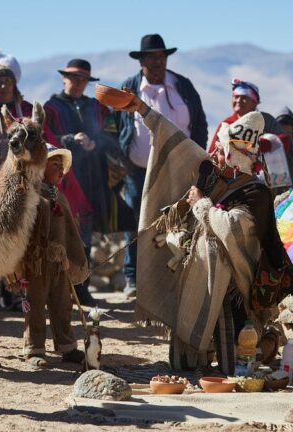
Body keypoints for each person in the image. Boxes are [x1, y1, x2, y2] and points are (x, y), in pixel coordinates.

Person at [116, 92, 293, 375]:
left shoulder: (256, 192)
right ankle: (195, 346)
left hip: (239, 282)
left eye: (221, 149)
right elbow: (177, 142)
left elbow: (232, 229)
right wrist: (142, 109)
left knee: (239, 356)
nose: (213, 152)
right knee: (185, 364)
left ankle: (266, 341)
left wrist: (201, 203)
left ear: (233, 157)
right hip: (206, 273)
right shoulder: (214, 174)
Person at [117, 34, 208, 297]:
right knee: (137, 222)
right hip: (138, 170)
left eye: (161, 56)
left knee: (179, 221)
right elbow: (116, 128)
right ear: (141, 61)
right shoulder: (130, 89)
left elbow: (199, 123)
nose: (158, 62)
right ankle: (133, 278)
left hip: (180, 168)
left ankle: (173, 277)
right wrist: (122, 161)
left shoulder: (183, 86)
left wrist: (196, 157)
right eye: (152, 57)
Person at [44, 58, 132, 306]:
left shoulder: (97, 107)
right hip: (63, 181)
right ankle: (60, 291)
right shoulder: (52, 108)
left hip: (93, 180)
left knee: (85, 237)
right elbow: (47, 138)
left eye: (83, 79)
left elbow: (112, 134)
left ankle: (81, 287)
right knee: (60, 235)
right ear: (64, 78)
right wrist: (70, 139)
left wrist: (96, 142)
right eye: (73, 78)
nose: (78, 83)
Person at [20, 144, 88, 369]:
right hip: (36, 264)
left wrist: (71, 256)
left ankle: (67, 348)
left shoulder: (60, 196)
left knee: (62, 305)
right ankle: (34, 350)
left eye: (62, 166)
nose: (61, 170)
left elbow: (69, 230)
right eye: (55, 164)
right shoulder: (29, 194)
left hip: (59, 264)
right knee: (35, 305)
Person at [208, 80, 293, 188]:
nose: (239, 100)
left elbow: (284, 140)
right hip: (229, 179)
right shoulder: (226, 124)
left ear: (254, 102)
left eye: (244, 98)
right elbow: (212, 152)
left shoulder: (264, 119)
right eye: (236, 97)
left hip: (266, 177)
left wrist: (262, 145)